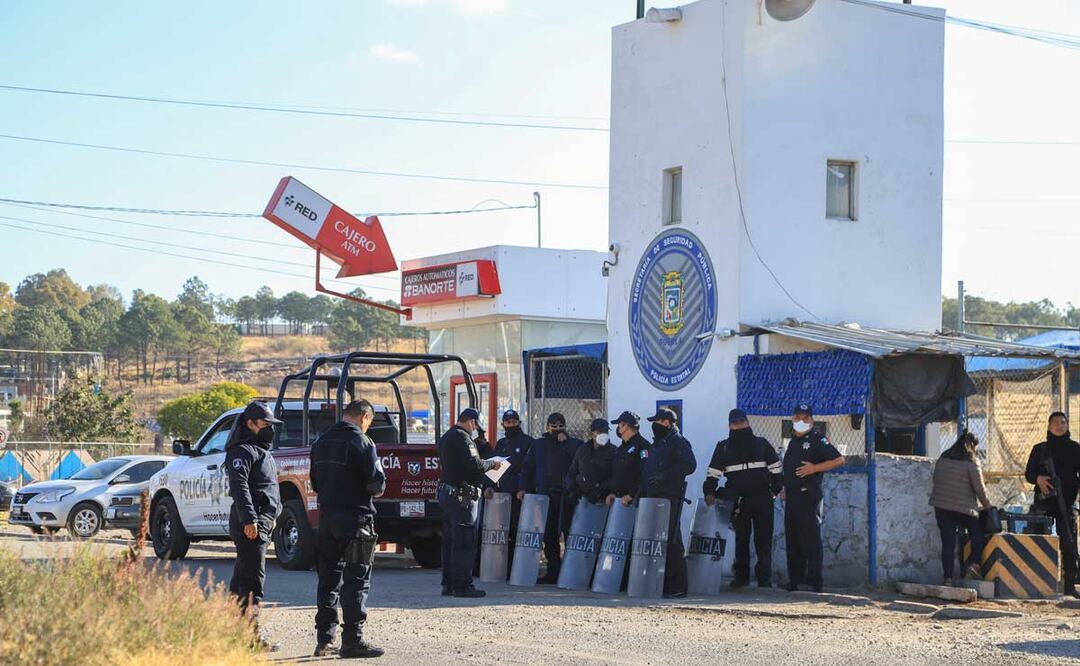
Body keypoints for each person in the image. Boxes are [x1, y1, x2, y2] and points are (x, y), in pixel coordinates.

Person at [309, 399, 387, 659]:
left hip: (327, 518)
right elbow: (376, 484)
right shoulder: (363, 443)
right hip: (356, 520)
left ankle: (324, 640)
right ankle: (353, 640)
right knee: (356, 580)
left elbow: (315, 482)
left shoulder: (320, 442)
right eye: (369, 422)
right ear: (364, 417)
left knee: (328, 579)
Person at [225, 401, 283, 650]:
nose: (270, 429)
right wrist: (249, 519)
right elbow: (240, 488)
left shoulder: (261, 452)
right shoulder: (242, 452)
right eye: (265, 424)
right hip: (251, 524)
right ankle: (250, 639)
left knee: (242, 579)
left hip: (262, 523)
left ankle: (234, 635)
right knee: (251, 583)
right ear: (250, 424)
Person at [703, 409, 782, 589]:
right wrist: (709, 492)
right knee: (741, 540)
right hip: (739, 502)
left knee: (763, 540)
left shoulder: (762, 444)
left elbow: (776, 468)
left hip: (762, 498)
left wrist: (775, 490)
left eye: (741, 422)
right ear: (730, 425)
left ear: (747, 423)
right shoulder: (723, 447)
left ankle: (764, 580)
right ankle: (741, 579)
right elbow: (713, 473)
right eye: (735, 423)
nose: (738, 426)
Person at [438, 407, 502, 597]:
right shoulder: (463, 437)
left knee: (450, 541)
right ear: (471, 422)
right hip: (461, 497)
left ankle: (448, 584)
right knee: (464, 542)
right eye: (475, 425)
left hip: (447, 494)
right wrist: (492, 463)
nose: (475, 429)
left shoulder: (448, 436)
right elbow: (474, 465)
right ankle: (462, 585)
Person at [781, 403, 845, 593]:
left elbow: (839, 459)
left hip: (808, 495)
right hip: (792, 497)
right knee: (793, 540)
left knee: (810, 539)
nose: (801, 421)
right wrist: (784, 487)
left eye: (805, 418)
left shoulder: (818, 439)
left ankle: (814, 581)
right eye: (798, 417)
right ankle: (795, 580)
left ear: (812, 420)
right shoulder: (792, 442)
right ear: (793, 419)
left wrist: (814, 468)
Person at [639, 407, 697, 598]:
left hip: (669, 497)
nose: (654, 425)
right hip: (654, 497)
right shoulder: (659, 443)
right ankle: (662, 584)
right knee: (658, 543)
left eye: (657, 421)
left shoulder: (678, 441)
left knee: (672, 541)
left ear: (666, 422)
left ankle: (678, 586)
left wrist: (664, 477)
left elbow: (690, 465)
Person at [519, 412, 582, 584]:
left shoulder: (574, 445)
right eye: (554, 427)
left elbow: (580, 465)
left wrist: (565, 444)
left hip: (567, 496)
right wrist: (523, 488)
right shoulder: (538, 445)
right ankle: (553, 571)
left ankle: (571, 572)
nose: (557, 429)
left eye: (561, 426)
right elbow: (528, 468)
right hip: (546, 496)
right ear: (547, 427)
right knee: (549, 535)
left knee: (569, 533)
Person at [1024, 412, 1080, 596]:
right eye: (1055, 422)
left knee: (1069, 545)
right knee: (1039, 543)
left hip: (1067, 503)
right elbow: (1029, 474)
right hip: (1044, 503)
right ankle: (1037, 585)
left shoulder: (1075, 449)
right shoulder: (1040, 449)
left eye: (1063, 422)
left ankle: (1070, 586)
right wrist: (1038, 479)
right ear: (1049, 426)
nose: (1059, 425)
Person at [929, 430, 992, 586]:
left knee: (948, 542)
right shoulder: (972, 461)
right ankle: (973, 564)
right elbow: (979, 489)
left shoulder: (943, 457)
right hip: (964, 509)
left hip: (941, 507)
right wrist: (988, 505)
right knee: (976, 532)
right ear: (973, 445)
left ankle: (948, 579)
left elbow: (936, 478)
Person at [485, 409, 533, 573]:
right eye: (508, 422)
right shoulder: (501, 444)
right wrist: (488, 486)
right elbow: (493, 467)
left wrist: (523, 488)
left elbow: (528, 469)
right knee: (502, 531)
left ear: (519, 423)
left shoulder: (527, 442)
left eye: (514, 422)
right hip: (501, 495)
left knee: (517, 530)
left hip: (518, 495)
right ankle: (502, 567)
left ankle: (517, 568)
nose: (511, 425)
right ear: (503, 424)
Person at [564, 419, 616, 504]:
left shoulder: (613, 451)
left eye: (605, 431)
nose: (603, 434)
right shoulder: (583, 450)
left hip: (604, 501)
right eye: (599, 431)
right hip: (583, 501)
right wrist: (572, 489)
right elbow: (572, 472)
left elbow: (616, 476)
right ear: (592, 434)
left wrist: (600, 490)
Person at [606, 411, 649, 509]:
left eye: (620, 425)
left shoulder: (643, 447)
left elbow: (645, 472)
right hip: (619, 503)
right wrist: (613, 493)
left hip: (633, 503)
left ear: (626, 426)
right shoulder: (621, 448)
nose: (618, 428)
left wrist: (632, 494)